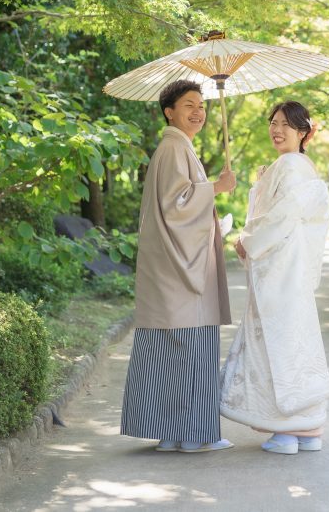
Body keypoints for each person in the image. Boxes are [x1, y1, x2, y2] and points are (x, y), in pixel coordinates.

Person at [120, 80, 237, 453]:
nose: (199, 111)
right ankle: (193, 435)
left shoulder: (176, 147)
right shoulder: (173, 147)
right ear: (169, 111)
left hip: (170, 269)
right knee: (190, 348)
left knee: (169, 352)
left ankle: (171, 434)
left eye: (202, 105)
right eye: (189, 104)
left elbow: (178, 205)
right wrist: (217, 187)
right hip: (181, 271)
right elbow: (178, 206)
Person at [220, 101, 329, 455]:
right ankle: (307, 430)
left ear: (303, 132)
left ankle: (286, 431)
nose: (277, 129)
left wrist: (247, 241)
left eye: (287, 124)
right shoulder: (298, 166)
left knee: (275, 344)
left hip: (280, 270)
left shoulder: (290, 165)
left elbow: (281, 216)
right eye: (273, 122)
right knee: (294, 342)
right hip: (290, 271)